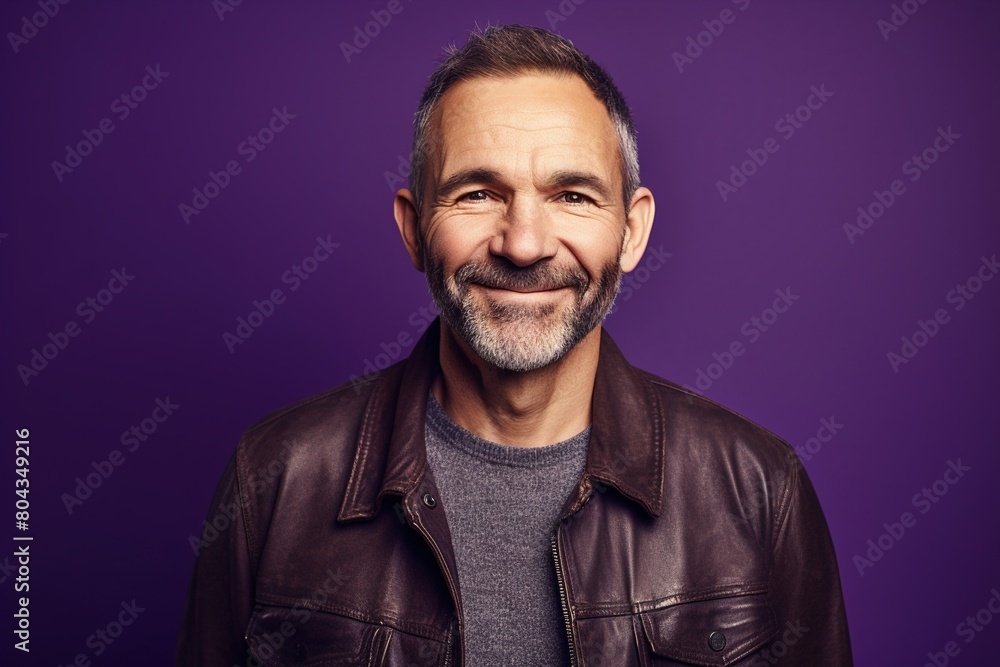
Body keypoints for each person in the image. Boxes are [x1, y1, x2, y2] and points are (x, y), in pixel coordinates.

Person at [176, 23, 852, 666]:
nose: (524, 243)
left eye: (573, 196)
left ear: (632, 230)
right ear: (414, 229)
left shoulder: (760, 489)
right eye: (477, 193)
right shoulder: (274, 478)